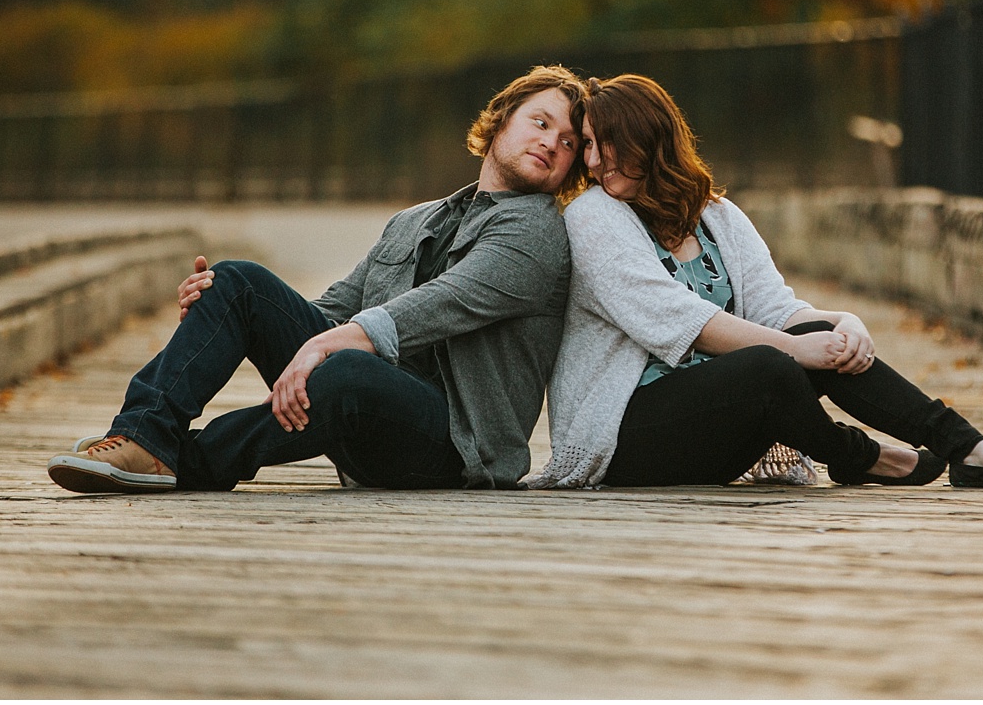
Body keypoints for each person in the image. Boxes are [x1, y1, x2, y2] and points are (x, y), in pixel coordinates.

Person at [49, 65, 587, 494]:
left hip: (451, 444)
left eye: (567, 142)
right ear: (499, 122)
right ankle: (141, 435)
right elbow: (333, 308)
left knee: (347, 367)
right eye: (540, 123)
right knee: (238, 281)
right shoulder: (416, 220)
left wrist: (321, 348)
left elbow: (440, 305)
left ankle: (181, 459)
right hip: (360, 409)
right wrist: (225, 311)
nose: (551, 143)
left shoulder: (538, 233)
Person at [524, 73, 983, 491]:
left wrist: (843, 324)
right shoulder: (594, 215)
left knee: (808, 337)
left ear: (648, 139)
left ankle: (967, 448)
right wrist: (800, 351)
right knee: (775, 363)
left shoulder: (717, 217)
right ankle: (858, 456)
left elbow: (778, 309)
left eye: (604, 144)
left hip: (717, 427)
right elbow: (679, 321)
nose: (591, 162)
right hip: (623, 437)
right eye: (586, 146)